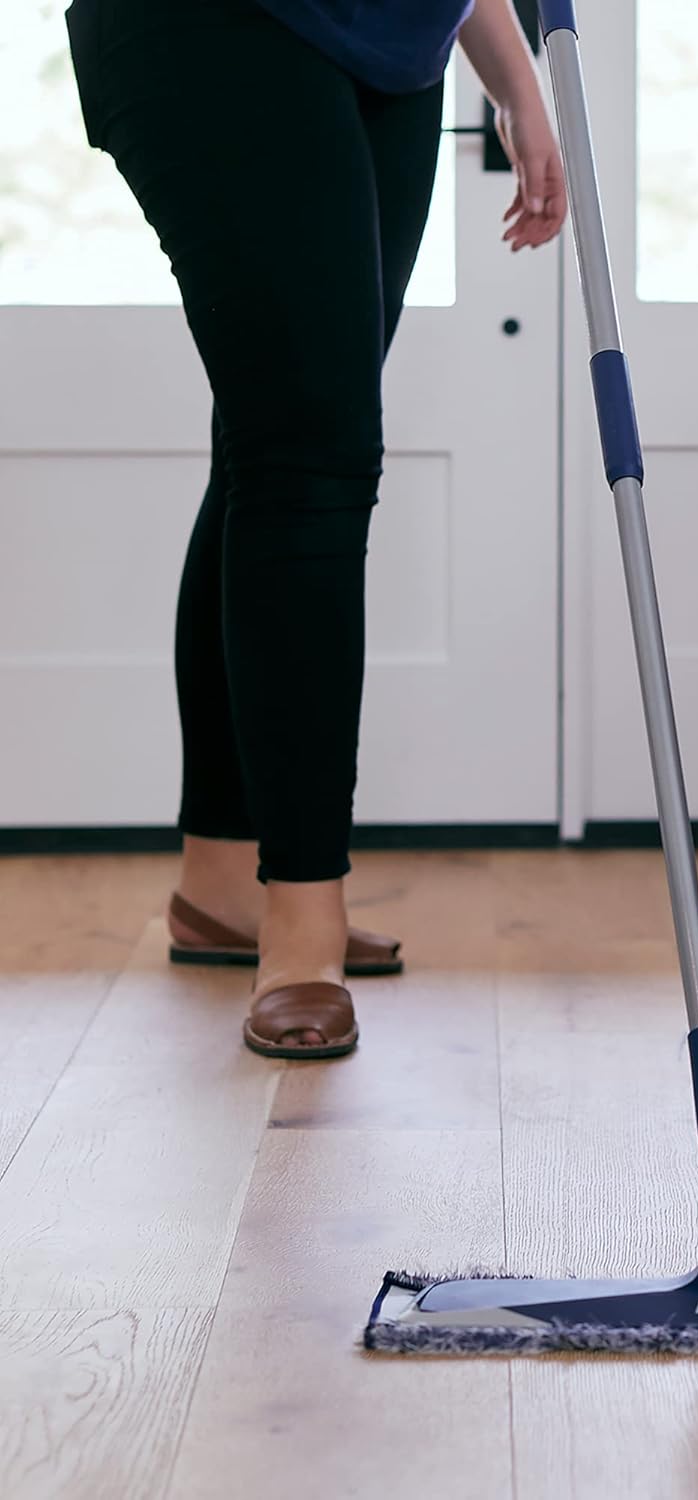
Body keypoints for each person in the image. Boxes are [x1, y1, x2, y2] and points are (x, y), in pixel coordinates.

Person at [64, 0, 566, 1059]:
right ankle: (301, 923)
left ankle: (218, 882)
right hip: (222, 27)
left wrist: (513, 76)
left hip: (395, 46)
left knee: (277, 445)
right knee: (309, 461)